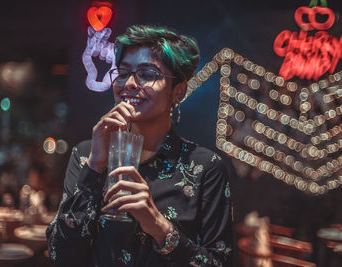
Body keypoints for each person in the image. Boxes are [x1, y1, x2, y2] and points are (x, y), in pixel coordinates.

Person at [46, 25, 233, 267]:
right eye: (123, 73)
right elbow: (60, 257)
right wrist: (94, 168)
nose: (130, 83)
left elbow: (220, 263)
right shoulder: (86, 155)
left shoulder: (205, 168)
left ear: (178, 92)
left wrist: (158, 226)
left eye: (147, 74)